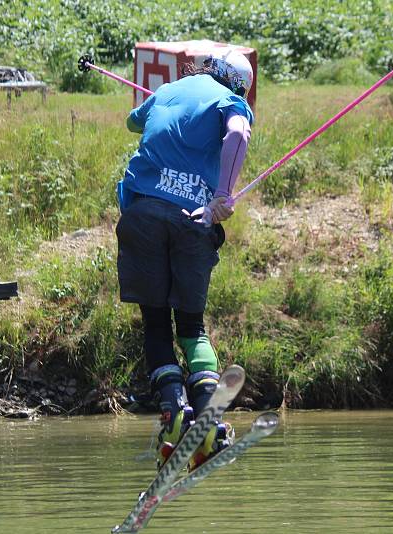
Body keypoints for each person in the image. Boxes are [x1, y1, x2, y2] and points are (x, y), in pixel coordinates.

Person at [116, 50, 254, 470]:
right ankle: (208, 423)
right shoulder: (232, 102)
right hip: (193, 220)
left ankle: (175, 414)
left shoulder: (168, 90)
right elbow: (239, 135)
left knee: (155, 322)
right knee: (191, 325)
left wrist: (164, 102)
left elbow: (132, 122)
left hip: (141, 214)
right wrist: (222, 198)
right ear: (239, 84)